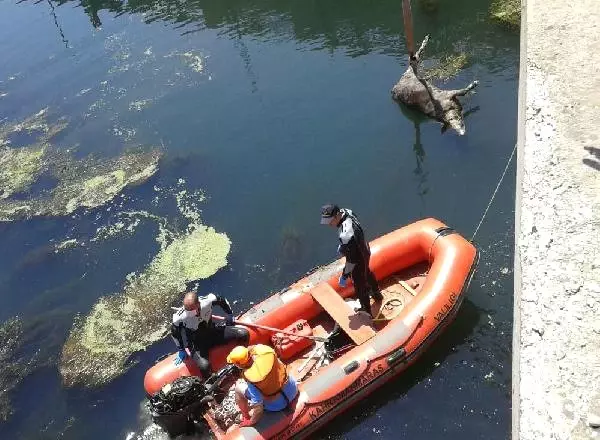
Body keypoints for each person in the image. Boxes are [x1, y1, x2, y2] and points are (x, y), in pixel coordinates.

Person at [320, 203, 383, 317]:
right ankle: (377, 294)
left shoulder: (345, 235)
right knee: (367, 272)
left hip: (358, 258)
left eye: (330, 221)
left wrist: (344, 275)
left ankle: (366, 312)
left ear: (337, 216)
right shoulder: (348, 211)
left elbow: (351, 260)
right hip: (365, 249)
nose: (329, 224)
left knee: (360, 285)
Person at [171, 291, 249, 378]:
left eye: (192, 310)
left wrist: (229, 314)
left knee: (243, 334)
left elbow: (222, 300)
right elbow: (175, 334)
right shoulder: (179, 318)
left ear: (198, 304)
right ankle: (211, 382)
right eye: (187, 310)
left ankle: (243, 361)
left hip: (213, 332)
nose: (190, 314)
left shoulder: (208, 301)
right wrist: (181, 349)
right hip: (197, 344)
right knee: (204, 366)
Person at [226, 344, 298, 429]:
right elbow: (255, 347)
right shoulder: (267, 352)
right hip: (293, 390)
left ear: (240, 365)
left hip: (278, 405)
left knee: (238, 388)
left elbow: (258, 408)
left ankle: (245, 416)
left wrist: (251, 422)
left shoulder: (252, 378)